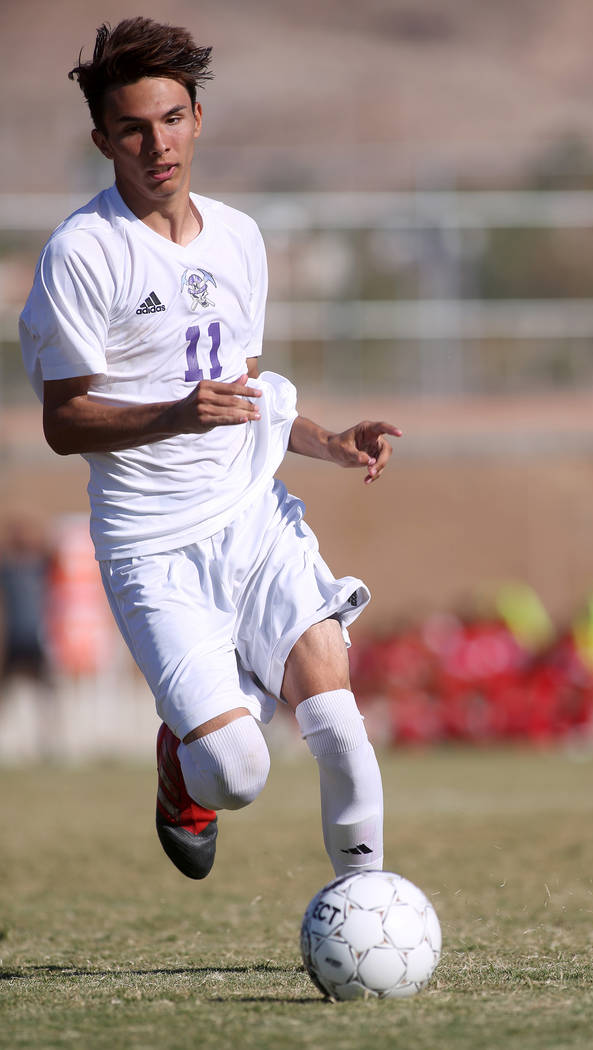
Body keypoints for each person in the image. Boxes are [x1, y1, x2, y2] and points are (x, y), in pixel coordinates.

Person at [19, 18, 401, 881]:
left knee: (339, 725)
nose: (157, 144)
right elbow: (63, 423)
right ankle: (179, 769)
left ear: (198, 116)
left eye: (172, 118)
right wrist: (172, 414)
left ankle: (367, 903)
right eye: (132, 128)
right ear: (102, 139)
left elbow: (245, 399)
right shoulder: (82, 255)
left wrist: (327, 442)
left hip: (254, 520)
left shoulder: (240, 239)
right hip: (153, 547)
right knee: (239, 772)